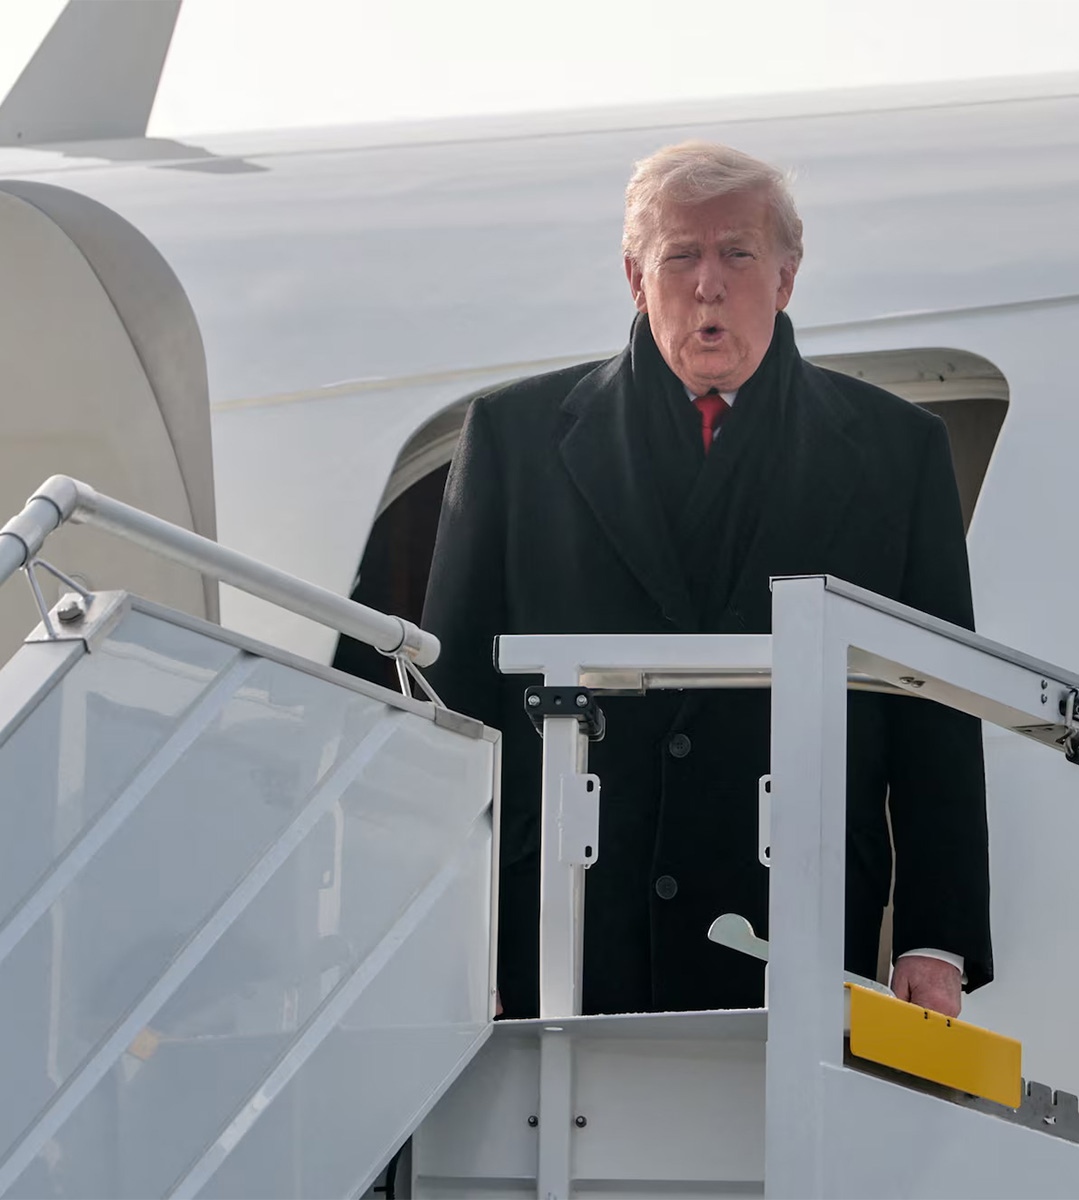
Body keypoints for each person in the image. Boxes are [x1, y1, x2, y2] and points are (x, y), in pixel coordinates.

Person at [421, 141, 991, 1020]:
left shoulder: (895, 453)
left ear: (788, 276)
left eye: (738, 253)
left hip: (789, 925)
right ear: (635, 278)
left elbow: (933, 710)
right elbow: (455, 710)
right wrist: (454, 938)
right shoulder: (512, 439)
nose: (708, 284)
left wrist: (934, 938)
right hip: (566, 930)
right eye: (679, 255)